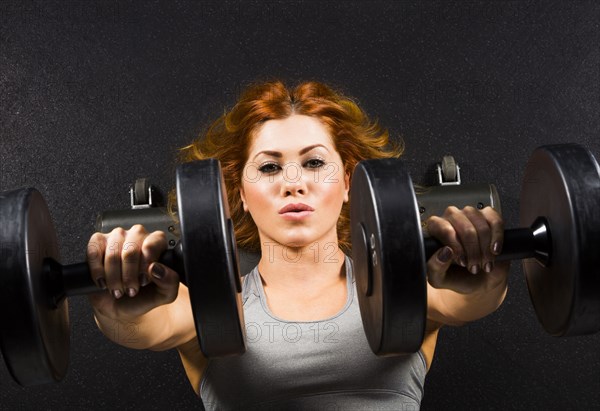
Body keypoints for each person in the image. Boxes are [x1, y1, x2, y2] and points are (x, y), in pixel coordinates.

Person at [86, 80, 509, 410]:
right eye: (269, 167)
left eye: (314, 162)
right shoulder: (202, 308)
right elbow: (139, 328)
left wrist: (478, 263)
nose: (293, 183)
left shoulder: (405, 289)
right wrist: (118, 300)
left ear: (347, 184)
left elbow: (473, 298)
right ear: (242, 196)